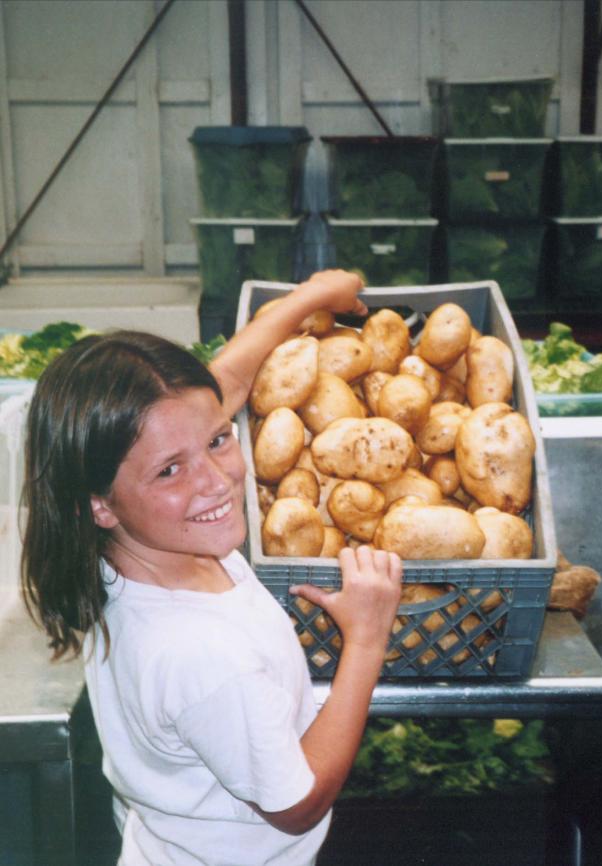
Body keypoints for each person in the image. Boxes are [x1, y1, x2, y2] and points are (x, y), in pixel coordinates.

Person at [21, 269, 402, 866]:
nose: (215, 479)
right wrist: (368, 639)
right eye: (170, 471)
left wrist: (304, 300)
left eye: (220, 440)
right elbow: (297, 803)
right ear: (98, 503)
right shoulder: (200, 655)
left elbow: (216, 387)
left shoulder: (128, 545)